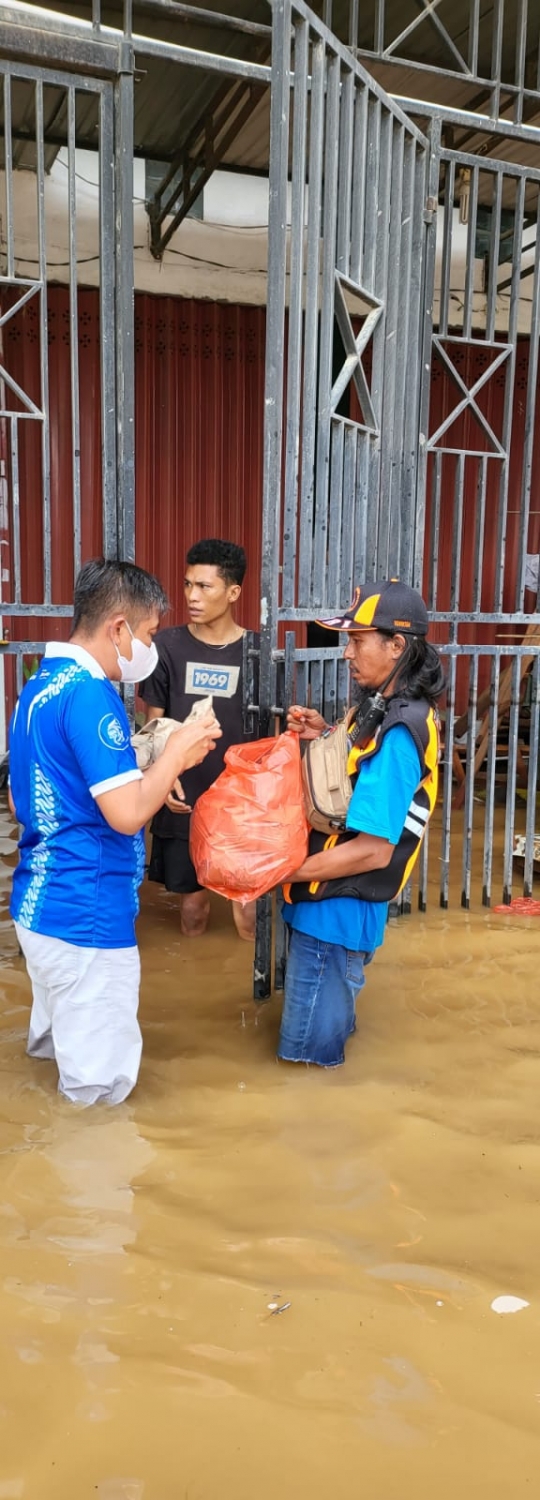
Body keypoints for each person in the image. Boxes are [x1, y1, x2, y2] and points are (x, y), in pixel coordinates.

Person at [9, 558, 221, 1106]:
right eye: (149, 633)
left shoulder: (39, 684)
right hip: (87, 917)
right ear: (119, 627)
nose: (149, 648)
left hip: (39, 908)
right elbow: (126, 814)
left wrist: (149, 773)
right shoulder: (90, 694)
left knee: (54, 1064)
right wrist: (174, 755)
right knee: (96, 1101)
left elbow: (20, 797)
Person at [279, 579, 445, 1068]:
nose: (347, 654)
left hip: (335, 920)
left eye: (357, 641)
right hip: (330, 911)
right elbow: (357, 776)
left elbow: (373, 849)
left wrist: (281, 870)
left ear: (397, 645)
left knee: (306, 1067)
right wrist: (324, 734)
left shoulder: (398, 732)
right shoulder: (382, 707)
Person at [140, 538, 259, 941]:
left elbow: (271, 736)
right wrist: (161, 781)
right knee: (192, 909)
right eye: (188, 584)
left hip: (240, 801)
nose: (191, 595)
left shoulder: (257, 651)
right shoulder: (166, 647)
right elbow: (154, 726)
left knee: (249, 913)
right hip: (183, 795)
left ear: (233, 592)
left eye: (204, 586)